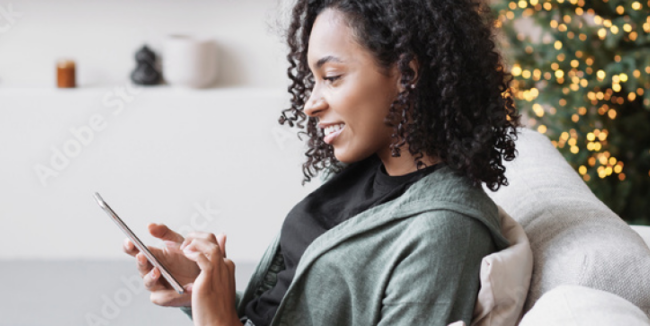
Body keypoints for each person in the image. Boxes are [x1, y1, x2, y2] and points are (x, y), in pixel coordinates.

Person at [120, 0, 522, 325]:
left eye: (331, 76)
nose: (310, 104)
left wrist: (219, 320)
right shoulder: (359, 173)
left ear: (406, 75)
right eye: (312, 80)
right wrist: (201, 289)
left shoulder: (444, 234)